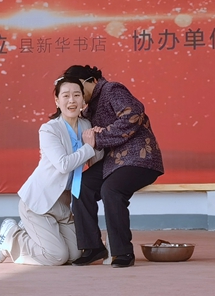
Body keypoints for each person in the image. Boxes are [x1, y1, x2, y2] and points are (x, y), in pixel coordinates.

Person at [0, 76, 103, 266]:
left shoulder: (86, 125)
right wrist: (89, 147)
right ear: (57, 101)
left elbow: (94, 160)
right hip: (38, 201)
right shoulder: (49, 130)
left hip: (63, 202)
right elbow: (63, 165)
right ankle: (11, 236)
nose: (72, 100)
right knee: (57, 256)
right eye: (66, 95)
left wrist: (98, 141)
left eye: (77, 95)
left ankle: (30, 231)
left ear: (83, 101)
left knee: (75, 255)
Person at [62, 65, 164, 268]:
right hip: (114, 162)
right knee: (81, 187)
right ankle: (92, 247)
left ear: (90, 81)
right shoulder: (88, 109)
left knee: (111, 190)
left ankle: (123, 252)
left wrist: (100, 136)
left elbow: (133, 115)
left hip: (139, 158)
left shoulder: (112, 89)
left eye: (78, 89)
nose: (76, 94)